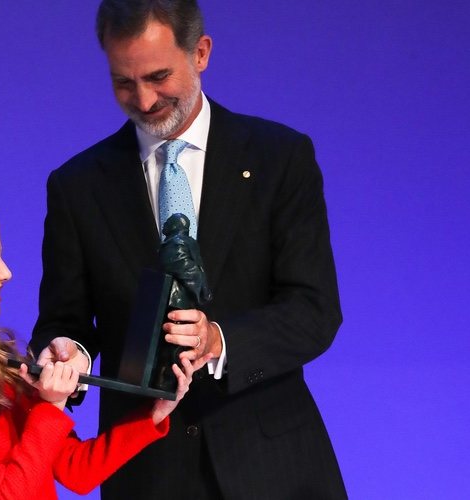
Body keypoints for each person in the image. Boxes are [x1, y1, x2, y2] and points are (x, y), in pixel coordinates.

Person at [30, 1, 347, 498]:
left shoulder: (280, 157)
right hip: (147, 471)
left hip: (275, 469)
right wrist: (67, 354)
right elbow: (64, 322)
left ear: (201, 53)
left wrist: (218, 341)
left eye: (158, 76)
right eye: (124, 82)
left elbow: (315, 310)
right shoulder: (77, 186)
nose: (144, 97)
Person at [0, 192, 207, 499]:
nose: (6, 273)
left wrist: (153, 415)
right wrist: (50, 407)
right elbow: (7, 495)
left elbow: (76, 469)